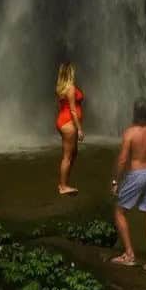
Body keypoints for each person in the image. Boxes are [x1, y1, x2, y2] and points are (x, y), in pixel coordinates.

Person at [110, 99, 146, 272]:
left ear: (135, 113)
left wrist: (115, 181)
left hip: (136, 174)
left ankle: (129, 255)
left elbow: (122, 160)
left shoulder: (130, 132)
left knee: (119, 212)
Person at [55, 62, 84, 195]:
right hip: (69, 123)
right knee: (67, 156)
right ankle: (63, 186)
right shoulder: (71, 88)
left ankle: (63, 181)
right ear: (70, 73)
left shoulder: (61, 88)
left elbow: (61, 106)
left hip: (62, 120)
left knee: (73, 153)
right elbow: (72, 110)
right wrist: (79, 129)